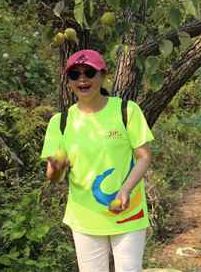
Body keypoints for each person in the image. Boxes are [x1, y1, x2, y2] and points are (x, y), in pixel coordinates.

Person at [40, 49, 154, 272]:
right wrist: (56, 167)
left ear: (102, 75)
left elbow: (144, 156)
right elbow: (53, 178)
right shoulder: (60, 122)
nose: (82, 79)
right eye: (75, 75)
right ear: (69, 82)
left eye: (89, 72)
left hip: (127, 212)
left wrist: (126, 190)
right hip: (85, 217)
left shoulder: (126, 111)